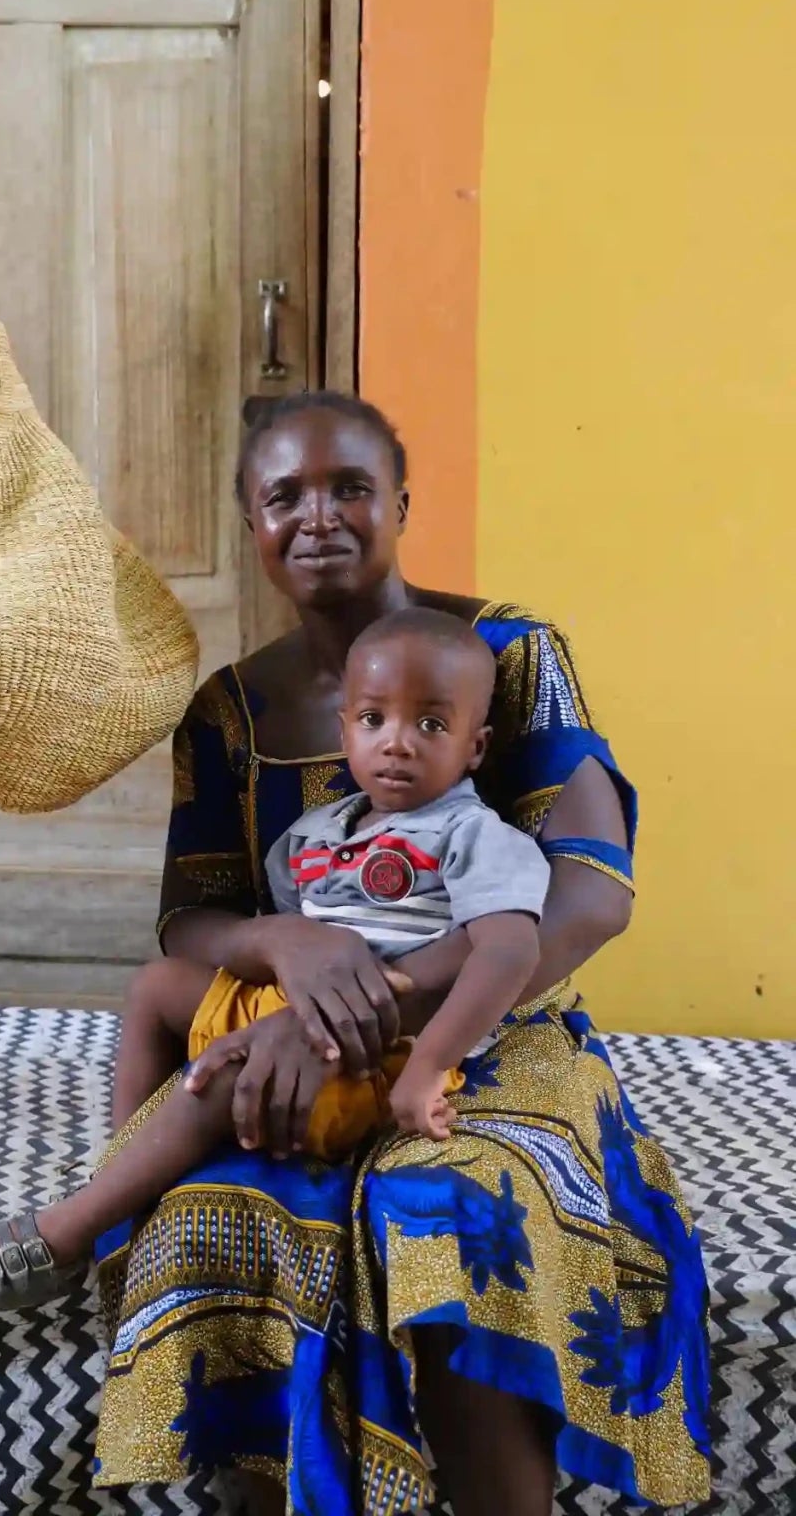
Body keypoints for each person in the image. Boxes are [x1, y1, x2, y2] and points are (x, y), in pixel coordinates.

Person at [89, 393, 710, 1516]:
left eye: (350, 488)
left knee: (449, 1210)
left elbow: (590, 891)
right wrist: (285, 941)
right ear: (248, 519)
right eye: (284, 495)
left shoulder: (506, 653)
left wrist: (356, 1010)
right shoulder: (227, 713)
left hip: (488, 1033)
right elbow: (192, 920)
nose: (318, 516)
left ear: (402, 505)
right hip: (287, 1036)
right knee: (211, 1211)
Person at [0, 608, 551, 1307]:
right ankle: (123, 1174)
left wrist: (431, 1066)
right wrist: (269, 974)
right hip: (293, 1010)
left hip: (379, 1050)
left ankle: (66, 1234)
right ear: (343, 730)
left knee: (220, 1078)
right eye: (373, 720)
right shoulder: (313, 835)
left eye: (431, 725)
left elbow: (508, 948)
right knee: (158, 988)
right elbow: (281, 943)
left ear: (475, 746)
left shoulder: (473, 836)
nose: (397, 743)